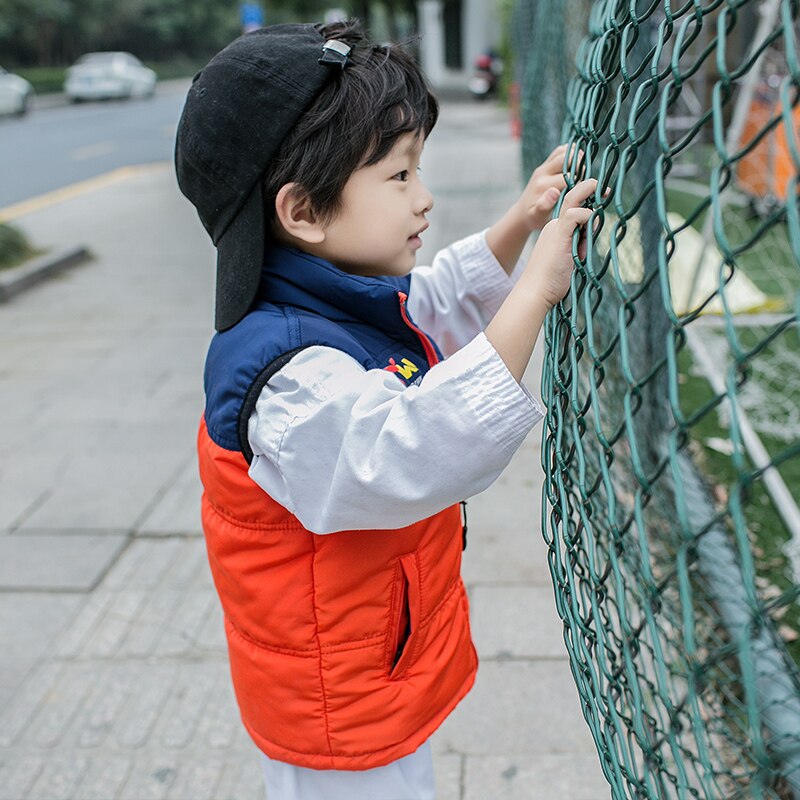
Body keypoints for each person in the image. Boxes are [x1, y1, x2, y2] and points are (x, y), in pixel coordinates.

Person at [175, 18, 596, 800]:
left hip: (364, 662)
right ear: (302, 212)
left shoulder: (327, 296)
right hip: (335, 706)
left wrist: (517, 227)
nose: (426, 200)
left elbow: (426, 307)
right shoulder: (288, 378)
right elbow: (408, 447)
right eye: (399, 177)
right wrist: (536, 288)